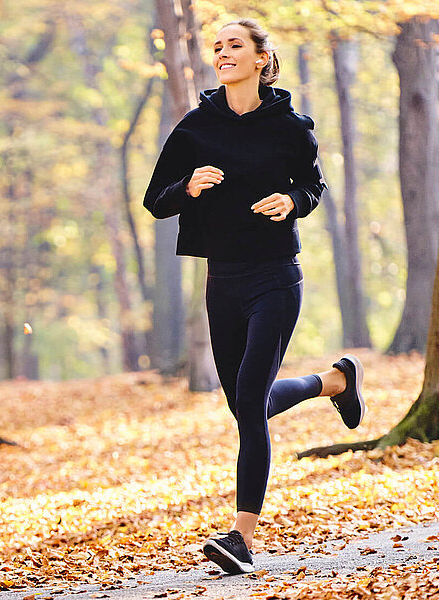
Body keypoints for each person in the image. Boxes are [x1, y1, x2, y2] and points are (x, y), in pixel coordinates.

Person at [142, 18, 366, 575]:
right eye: (217, 47)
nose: (222, 53)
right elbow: (155, 200)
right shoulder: (195, 127)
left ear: (262, 59)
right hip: (223, 280)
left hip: (275, 276)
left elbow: (313, 185)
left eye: (234, 45)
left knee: (249, 400)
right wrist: (188, 186)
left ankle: (241, 536)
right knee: (249, 405)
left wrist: (293, 201)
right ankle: (331, 381)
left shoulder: (290, 126)